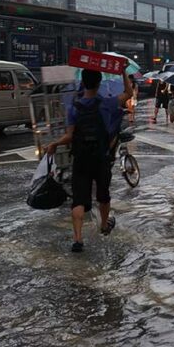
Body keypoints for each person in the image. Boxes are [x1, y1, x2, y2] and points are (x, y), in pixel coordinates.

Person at [47, 70, 131, 253]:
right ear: (99, 83)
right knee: (103, 195)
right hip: (101, 157)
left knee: (78, 199)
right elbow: (129, 94)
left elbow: (69, 136)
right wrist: (123, 72)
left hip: (81, 158)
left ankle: (77, 239)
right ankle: (104, 226)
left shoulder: (74, 108)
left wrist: (54, 143)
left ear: (83, 83)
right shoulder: (107, 103)